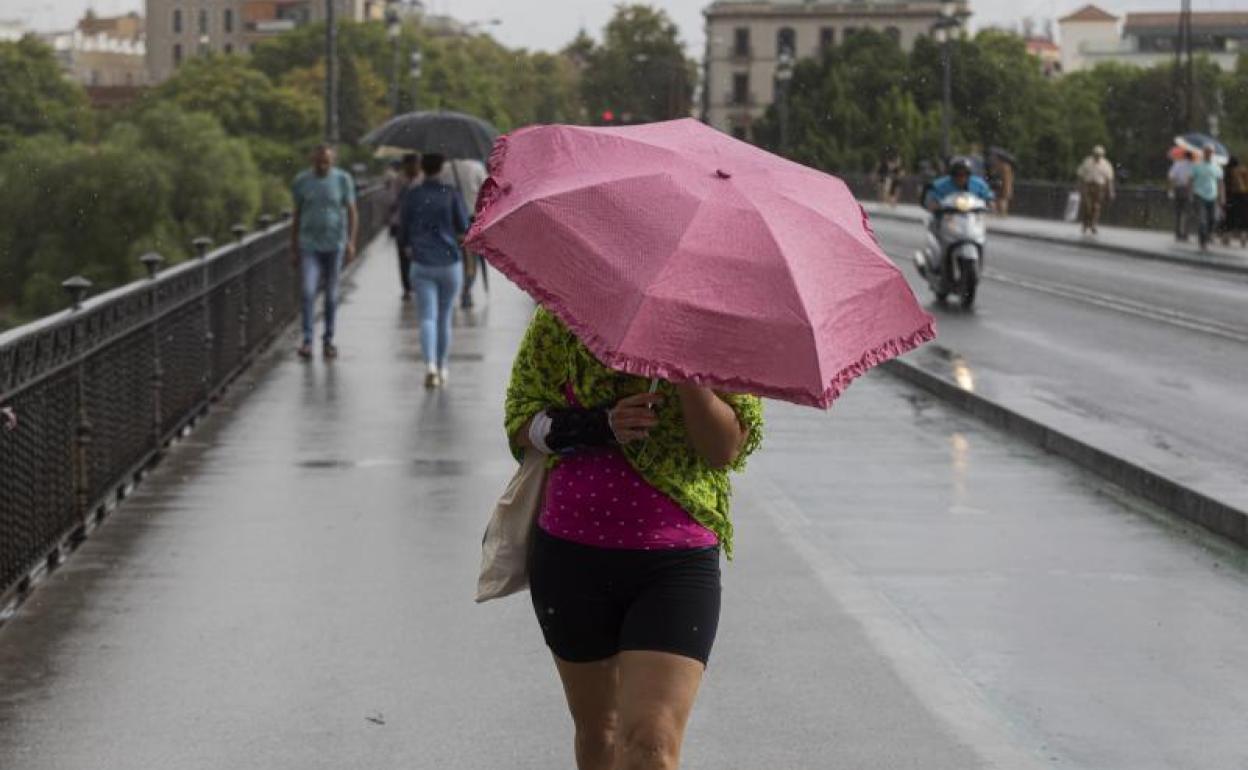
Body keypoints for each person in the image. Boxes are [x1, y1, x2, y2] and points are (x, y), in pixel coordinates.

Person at [505, 306, 763, 770]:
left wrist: (685, 372)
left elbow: (725, 447)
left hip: (676, 562)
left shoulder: (721, 326)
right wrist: (599, 425)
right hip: (571, 555)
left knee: (652, 745)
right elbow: (522, 419)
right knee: (600, 731)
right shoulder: (565, 314)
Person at [398, 153, 470, 388]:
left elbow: (403, 228)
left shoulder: (413, 195)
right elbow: (464, 227)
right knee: (444, 316)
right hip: (449, 262)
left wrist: (409, 247)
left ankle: (429, 365)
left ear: (423, 168)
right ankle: (443, 366)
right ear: (441, 168)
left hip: (421, 263)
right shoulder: (451, 193)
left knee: (427, 317)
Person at [291, 144, 358, 360]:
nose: (322, 166)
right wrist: (292, 248)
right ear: (313, 160)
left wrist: (351, 241)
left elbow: (352, 212)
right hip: (309, 245)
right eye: (319, 162)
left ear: (333, 161)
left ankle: (328, 339)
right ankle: (307, 340)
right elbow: (296, 216)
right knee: (308, 291)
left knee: (330, 295)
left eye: (326, 162)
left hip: (334, 244)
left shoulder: (342, 180)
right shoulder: (302, 181)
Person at [439, 158, 489, 308]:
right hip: (472, 219)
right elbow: (488, 192)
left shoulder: (444, 169)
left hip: (449, 222)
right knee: (471, 261)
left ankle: (450, 290)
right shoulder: (477, 167)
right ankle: (466, 291)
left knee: (451, 257)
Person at [388, 154, 420, 300]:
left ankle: (418, 284)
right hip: (401, 223)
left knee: (419, 256)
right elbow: (392, 200)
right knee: (403, 258)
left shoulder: (423, 178)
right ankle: (407, 288)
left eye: (416, 164)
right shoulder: (398, 180)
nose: (414, 167)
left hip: (420, 223)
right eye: (412, 164)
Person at [924, 156, 994, 213]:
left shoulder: (979, 184)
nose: (961, 177)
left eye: (965, 174)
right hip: (948, 218)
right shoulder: (941, 184)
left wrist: (990, 203)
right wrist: (934, 205)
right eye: (957, 174)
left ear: (969, 175)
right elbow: (932, 197)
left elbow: (988, 195)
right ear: (952, 175)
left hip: (972, 219)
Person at [1190, 144, 1225, 252]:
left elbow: (1220, 183)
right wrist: (1190, 194)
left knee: (1213, 219)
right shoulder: (1197, 165)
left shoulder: (1217, 167)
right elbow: (1190, 180)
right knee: (1202, 220)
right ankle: (1203, 242)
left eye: (1210, 152)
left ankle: (1208, 235)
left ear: (1213, 154)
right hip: (1199, 195)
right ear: (1203, 153)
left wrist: (1222, 197)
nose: (1209, 153)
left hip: (1213, 196)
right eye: (1207, 151)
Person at [1075, 145, 1115, 235]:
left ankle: (1093, 225)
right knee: (1087, 206)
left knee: (1096, 207)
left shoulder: (1106, 164)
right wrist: (1078, 186)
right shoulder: (1087, 161)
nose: (1097, 156)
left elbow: (1109, 179)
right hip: (1088, 186)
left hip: (1099, 187)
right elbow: (1080, 175)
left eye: (1099, 154)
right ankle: (1085, 224)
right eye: (1096, 154)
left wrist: (1110, 191)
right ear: (1093, 154)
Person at [1220, 156, 1248, 248]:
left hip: (1232, 196)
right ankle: (1243, 237)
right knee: (1243, 217)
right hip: (1244, 197)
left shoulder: (1228, 171)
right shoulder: (1244, 170)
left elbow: (1224, 186)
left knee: (1230, 216)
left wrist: (1223, 199)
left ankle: (1226, 237)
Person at [1167, 151, 1194, 242]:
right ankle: (1185, 234)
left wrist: (1171, 190)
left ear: (1184, 156)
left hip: (1178, 188)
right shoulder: (1193, 166)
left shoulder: (1177, 164)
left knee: (1178, 213)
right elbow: (1193, 180)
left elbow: (1171, 177)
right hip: (1188, 189)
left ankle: (1178, 233)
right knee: (1187, 213)